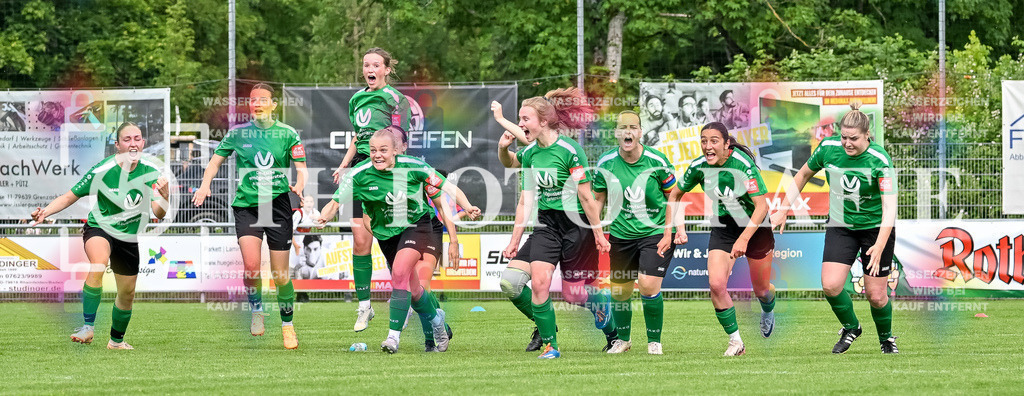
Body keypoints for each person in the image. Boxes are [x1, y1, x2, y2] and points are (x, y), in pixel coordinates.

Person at [318, 127, 467, 354]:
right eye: (373, 150)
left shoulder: (414, 166)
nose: (377, 155)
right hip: (387, 234)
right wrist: (323, 217)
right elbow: (335, 202)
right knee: (414, 291)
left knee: (399, 273)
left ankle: (392, 338)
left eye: (383, 150)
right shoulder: (360, 173)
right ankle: (437, 321)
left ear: (396, 151)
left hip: (417, 226)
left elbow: (447, 189)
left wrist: (467, 207)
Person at [495, 87, 615, 359]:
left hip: (577, 225)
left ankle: (611, 328)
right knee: (532, 283)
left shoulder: (570, 151)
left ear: (543, 121)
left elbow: (586, 196)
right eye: (520, 119)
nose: (521, 124)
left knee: (574, 295)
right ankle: (550, 344)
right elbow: (525, 201)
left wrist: (598, 234)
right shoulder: (531, 154)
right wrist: (514, 241)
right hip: (547, 225)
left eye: (525, 119)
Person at [771, 102, 899, 354]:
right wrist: (784, 208)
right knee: (830, 286)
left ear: (867, 136)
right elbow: (803, 175)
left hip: (875, 229)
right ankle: (851, 327)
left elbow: (890, 208)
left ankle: (886, 339)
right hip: (841, 226)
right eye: (844, 137)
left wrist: (880, 244)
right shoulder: (828, 148)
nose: (847, 143)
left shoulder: (880, 160)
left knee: (876, 296)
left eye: (854, 138)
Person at [32, 122, 170, 350]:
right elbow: (70, 196)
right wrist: (45, 211)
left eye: (137, 138)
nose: (133, 143)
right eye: (127, 139)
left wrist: (165, 198)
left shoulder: (150, 173)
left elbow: (158, 213)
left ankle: (116, 341)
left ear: (143, 143)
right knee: (98, 264)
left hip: (127, 238)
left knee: (127, 293)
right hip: (100, 229)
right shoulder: (102, 170)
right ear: (117, 145)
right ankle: (87, 328)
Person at [192, 83, 308, 349]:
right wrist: (205, 184)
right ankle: (257, 310)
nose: (256, 104)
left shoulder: (288, 134)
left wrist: (300, 185)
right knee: (252, 266)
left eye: (262, 100)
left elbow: (301, 168)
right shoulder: (237, 134)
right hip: (247, 205)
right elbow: (214, 162)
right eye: (253, 100)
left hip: (278, 206)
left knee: (280, 276)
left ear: (274, 105)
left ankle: (288, 327)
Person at [670, 121, 778, 356]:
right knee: (716, 284)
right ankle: (736, 342)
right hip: (725, 226)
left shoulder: (742, 165)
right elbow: (675, 195)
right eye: (704, 141)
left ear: (727, 144)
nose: (707, 146)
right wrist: (679, 228)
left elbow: (761, 207)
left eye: (714, 141)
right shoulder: (698, 166)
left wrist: (744, 239)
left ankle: (768, 308)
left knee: (761, 290)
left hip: (755, 226)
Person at [331, 47, 412, 332]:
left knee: (394, 240)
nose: (370, 69)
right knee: (360, 238)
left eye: (376, 64)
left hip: (388, 174)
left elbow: (400, 140)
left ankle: (407, 297)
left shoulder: (395, 99)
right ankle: (365, 306)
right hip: (359, 173)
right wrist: (343, 166)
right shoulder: (356, 99)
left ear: (387, 69)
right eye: (366, 64)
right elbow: (358, 137)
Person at [593, 111, 676, 355]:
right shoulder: (605, 163)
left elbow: (674, 194)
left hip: (654, 232)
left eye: (633, 127)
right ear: (616, 134)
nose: (628, 132)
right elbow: (598, 199)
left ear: (640, 132)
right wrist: (595, 231)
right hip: (620, 235)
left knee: (648, 286)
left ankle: (654, 342)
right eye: (622, 128)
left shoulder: (656, 160)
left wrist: (673, 229)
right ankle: (623, 340)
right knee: (620, 291)